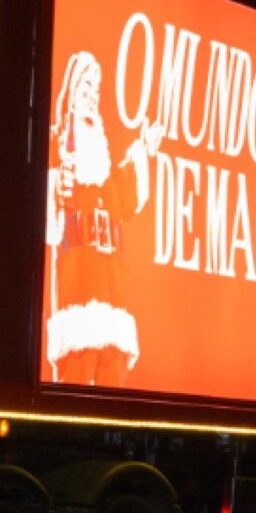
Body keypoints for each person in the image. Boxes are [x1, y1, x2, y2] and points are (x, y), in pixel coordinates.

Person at [45, 50, 165, 386]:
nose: (91, 92)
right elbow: (47, 207)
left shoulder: (102, 162)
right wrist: (55, 185)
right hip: (79, 282)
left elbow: (123, 197)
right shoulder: (59, 144)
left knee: (113, 374)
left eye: (96, 87)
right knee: (80, 370)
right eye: (85, 83)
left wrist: (143, 148)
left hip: (113, 287)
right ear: (72, 88)